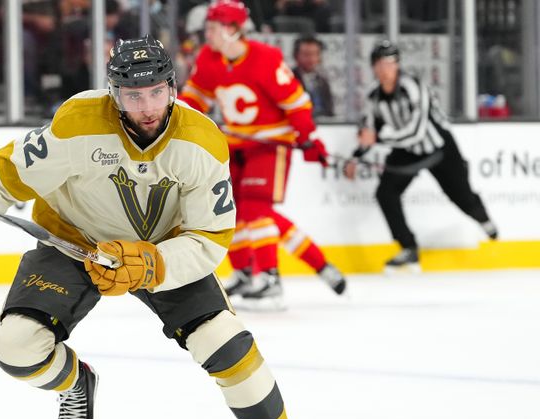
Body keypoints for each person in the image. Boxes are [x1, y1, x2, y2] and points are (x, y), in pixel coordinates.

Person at [0, 35, 329, 419]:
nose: (147, 105)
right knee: (14, 347)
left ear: (173, 88)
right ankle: (76, 383)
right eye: (133, 94)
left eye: (156, 91)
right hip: (75, 240)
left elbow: (210, 240)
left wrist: (152, 264)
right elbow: (0, 174)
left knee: (226, 343)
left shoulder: (202, 143)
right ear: (114, 93)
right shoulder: (77, 124)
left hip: (162, 249)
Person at [179, 0, 346, 310]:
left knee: (256, 207)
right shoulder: (208, 58)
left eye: (213, 28)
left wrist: (308, 137)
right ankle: (246, 272)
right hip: (234, 144)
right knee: (233, 210)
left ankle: (270, 278)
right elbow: (195, 98)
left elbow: (296, 103)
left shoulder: (266, 58)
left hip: (270, 145)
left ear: (232, 30)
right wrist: (177, 119)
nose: (208, 34)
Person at [343, 41, 498, 272]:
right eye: (380, 64)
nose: (385, 69)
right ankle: (408, 248)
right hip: (405, 151)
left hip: (439, 148)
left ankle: (483, 218)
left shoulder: (414, 87)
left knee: (461, 196)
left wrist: (379, 140)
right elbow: (369, 131)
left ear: (397, 65)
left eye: (390, 63)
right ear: (373, 67)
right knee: (385, 193)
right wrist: (355, 158)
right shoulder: (374, 98)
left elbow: (416, 131)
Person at [292, 34, 334, 118]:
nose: (311, 59)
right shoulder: (290, 79)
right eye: (306, 54)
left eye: (314, 54)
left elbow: (330, 110)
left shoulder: (322, 81)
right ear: (296, 56)